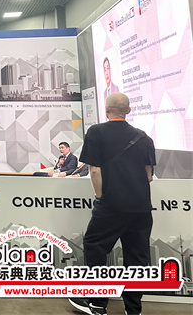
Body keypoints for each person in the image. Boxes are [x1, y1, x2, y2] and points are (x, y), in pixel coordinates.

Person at [69, 93, 155, 315]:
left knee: (95, 246)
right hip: (141, 206)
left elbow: (94, 170)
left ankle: (98, 303)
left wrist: (100, 198)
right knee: (137, 257)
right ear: (129, 111)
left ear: (106, 109)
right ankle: (133, 309)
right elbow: (148, 175)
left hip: (111, 204)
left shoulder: (96, 132)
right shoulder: (144, 137)